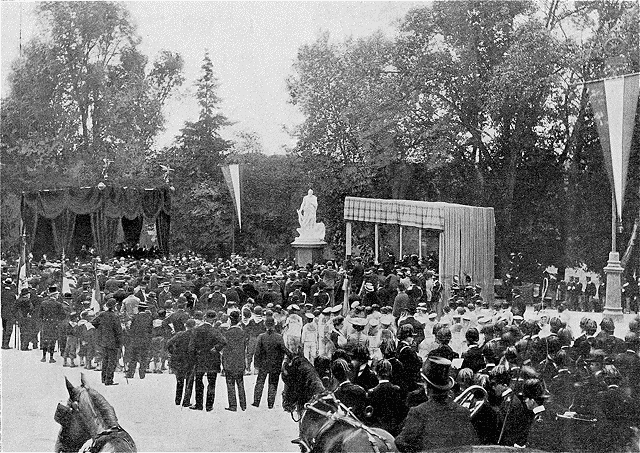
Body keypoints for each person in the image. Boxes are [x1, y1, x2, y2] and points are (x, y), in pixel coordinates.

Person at [395, 357, 478, 452]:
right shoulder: (463, 411)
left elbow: (401, 442)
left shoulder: (418, 412)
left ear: (427, 386)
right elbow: (472, 442)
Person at [188, 310, 227, 411]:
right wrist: (216, 348)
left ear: (205, 318)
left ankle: (199, 404)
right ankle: (209, 406)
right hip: (212, 359)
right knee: (211, 383)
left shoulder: (196, 330)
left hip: (200, 358)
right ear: (214, 319)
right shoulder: (215, 331)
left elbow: (191, 347)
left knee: (198, 382)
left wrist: (193, 358)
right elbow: (223, 341)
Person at [252, 316, 288, 409]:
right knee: (273, 383)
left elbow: (257, 352)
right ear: (274, 325)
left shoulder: (261, 337)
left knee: (260, 382)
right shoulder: (279, 337)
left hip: (263, 364)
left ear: (265, 325)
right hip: (275, 364)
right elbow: (284, 350)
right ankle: (270, 404)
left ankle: (256, 402)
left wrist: (256, 364)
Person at [366, 359, 407, 436]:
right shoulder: (397, 390)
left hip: (378, 430)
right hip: (394, 429)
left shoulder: (371, 392)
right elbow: (402, 412)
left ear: (376, 373)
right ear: (390, 372)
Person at [91, 298, 123, 385]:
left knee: (105, 360)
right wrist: (120, 342)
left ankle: (103, 378)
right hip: (113, 342)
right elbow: (118, 331)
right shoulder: (115, 316)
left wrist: (101, 329)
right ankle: (109, 380)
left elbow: (93, 322)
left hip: (103, 340)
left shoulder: (102, 314)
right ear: (114, 306)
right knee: (112, 361)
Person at [166, 318, 196, 406]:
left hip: (179, 359)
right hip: (191, 359)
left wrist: (173, 352)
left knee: (179, 380)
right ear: (194, 326)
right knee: (189, 381)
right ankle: (186, 401)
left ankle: (177, 400)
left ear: (186, 326)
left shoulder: (180, 334)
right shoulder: (195, 335)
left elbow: (169, 343)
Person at [222, 310, 247, 411]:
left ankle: (233, 405)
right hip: (240, 361)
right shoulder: (243, 333)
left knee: (230, 383)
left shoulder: (227, 333)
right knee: (240, 383)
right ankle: (243, 405)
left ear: (230, 320)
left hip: (229, 362)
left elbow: (225, 349)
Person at [126, 302, 153, 379]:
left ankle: (130, 373)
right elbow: (150, 330)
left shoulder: (135, 317)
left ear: (138, 308)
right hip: (145, 341)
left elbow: (132, 329)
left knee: (133, 357)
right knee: (144, 357)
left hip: (136, 340)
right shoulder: (149, 318)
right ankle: (142, 373)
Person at [39, 285, 66, 363]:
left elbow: (40, 315)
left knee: (45, 339)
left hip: (46, 323)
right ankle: (51, 357)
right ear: (54, 295)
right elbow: (63, 315)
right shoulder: (58, 304)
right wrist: (58, 320)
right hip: (54, 324)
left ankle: (44, 357)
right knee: (52, 340)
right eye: (57, 294)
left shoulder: (43, 303)